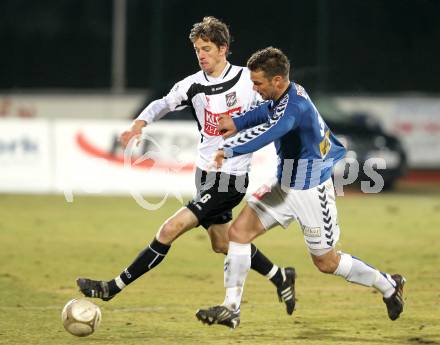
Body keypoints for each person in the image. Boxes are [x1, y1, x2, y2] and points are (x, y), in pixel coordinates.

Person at [76, 17, 296, 317]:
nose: (201, 55)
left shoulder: (248, 80)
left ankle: (112, 287)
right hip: (204, 175)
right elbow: (162, 104)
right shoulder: (192, 85)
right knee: (223, 242)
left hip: (230, 179)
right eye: (196, 50)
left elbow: (276, 103)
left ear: (223, 48)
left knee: (170, 228)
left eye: (206, 48)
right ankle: (279, 276)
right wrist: (138, 124)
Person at [196, 47, 405, 329]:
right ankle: (231, 307)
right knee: (238, 233)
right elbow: (265, 112)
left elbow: (271, 130)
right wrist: (237, 122)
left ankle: (389, 285)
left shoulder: (294, 106)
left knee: (326, 262)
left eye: (258, 83)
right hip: (284, 181)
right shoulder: (284, 94)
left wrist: (231, 148)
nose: (255, 89)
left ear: (278, 80)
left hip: (311, 189)